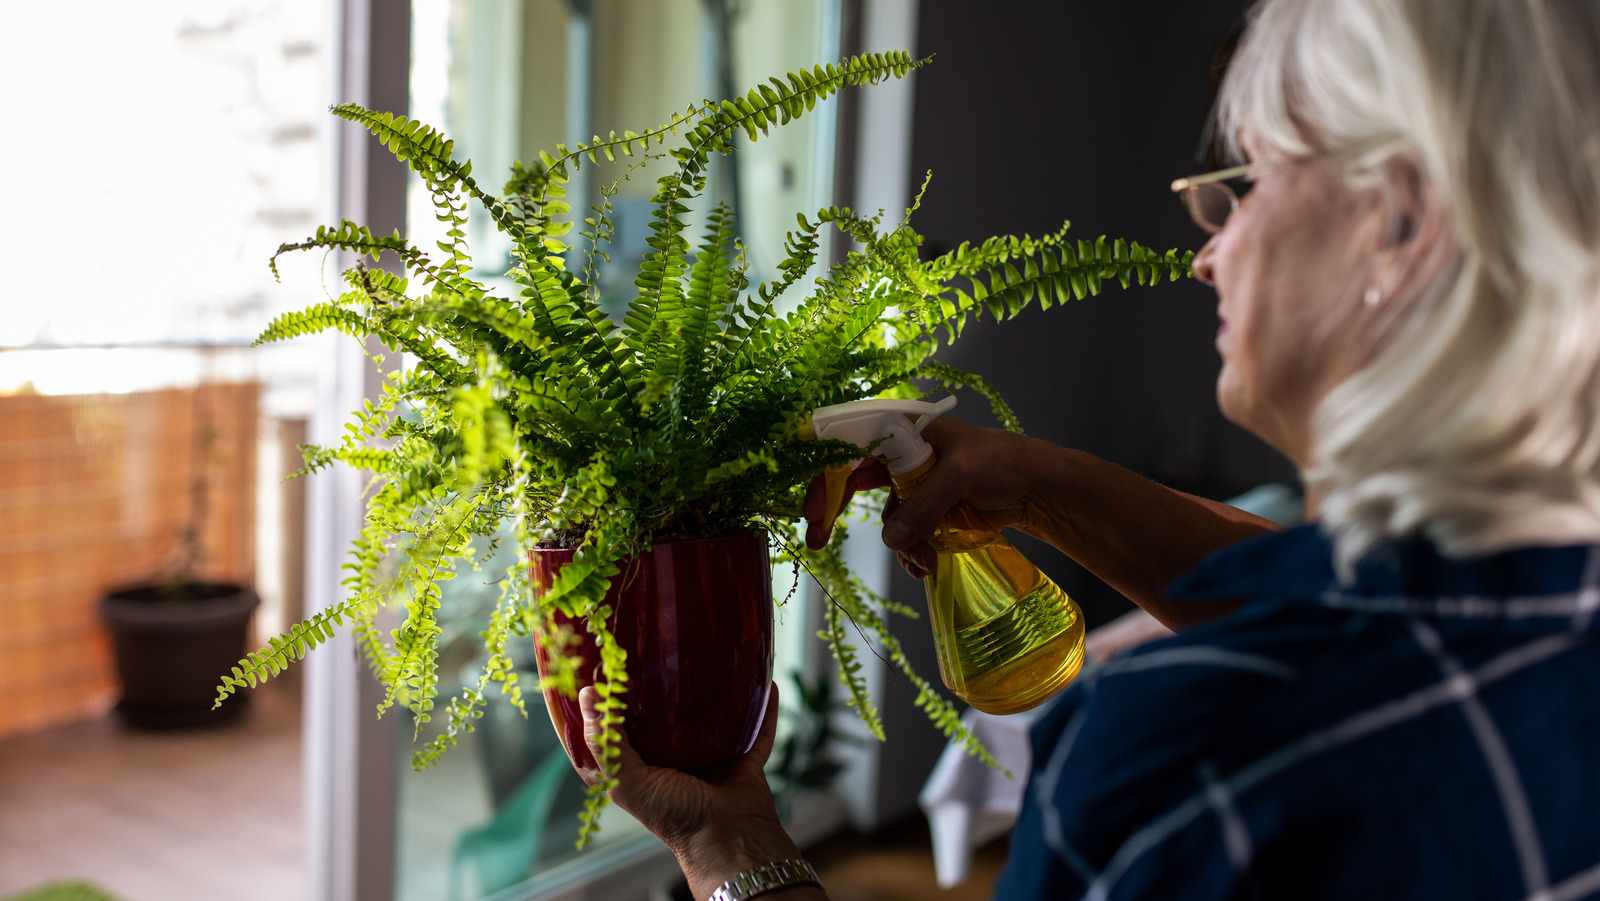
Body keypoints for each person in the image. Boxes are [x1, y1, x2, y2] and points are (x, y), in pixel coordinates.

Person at [576, 0, 1600, 897]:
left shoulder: (1196, 754)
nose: (1206, 250)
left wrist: (729, 847)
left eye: (1241, 186)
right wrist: (1040, 482)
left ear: (1400, 221)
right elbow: (1345, 596)